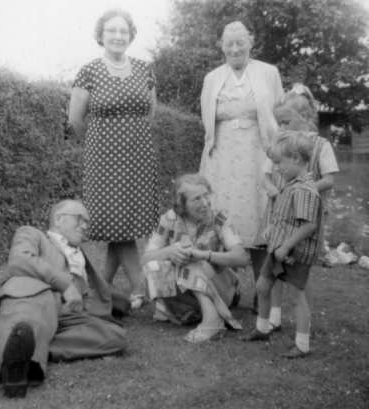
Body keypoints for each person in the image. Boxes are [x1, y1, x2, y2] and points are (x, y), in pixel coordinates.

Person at [0, 200, 128, 398]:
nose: (85, 226)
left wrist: (124, 302)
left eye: (87, 222)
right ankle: (14, 370)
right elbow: (20, 260)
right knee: (25, 318)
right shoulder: (32, 234)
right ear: (58, 219)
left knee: (116, 338)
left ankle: (28, 351)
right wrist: (65, 285)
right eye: (80, 219)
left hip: (70, 316)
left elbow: (98, 291)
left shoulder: (80, 254)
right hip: (37, 297)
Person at [68, 9, 159, 309]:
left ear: (130, 36)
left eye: (123, 31)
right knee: (116, 225)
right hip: (104, 160)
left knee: (125, 226)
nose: (118, 36)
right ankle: (142, 288)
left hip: (138, 157)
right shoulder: (89, 71)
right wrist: (103, 142)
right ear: (101, 35)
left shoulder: (145, 70)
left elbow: (151, 113)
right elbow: (75, 120)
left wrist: (131, 138)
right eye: (112, 31)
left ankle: (99, 290)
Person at [251, 83, 339, 328]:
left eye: (286, 122)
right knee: (274, 261)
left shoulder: (321, 145)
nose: (281, 127)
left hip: (304, 215)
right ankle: (274, 317)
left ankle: (304, 320)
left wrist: (302, 190)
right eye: (279, 122)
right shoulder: (280, 144)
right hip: (279, 212)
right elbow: (267, 175)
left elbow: (330, 179)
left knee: (299, 269)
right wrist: (272, 189)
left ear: (305, 118)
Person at [199, 21, 284, 248]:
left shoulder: (269, 73)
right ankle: (219, 275)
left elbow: (280, 113)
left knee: (258, 210)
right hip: (222, 156)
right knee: (219, 210)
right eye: (229, 44)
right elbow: (206, 118)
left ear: (251, 42)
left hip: (257, 153)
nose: (235, 49)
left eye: (240, 43)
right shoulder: (212, 78)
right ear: (221, 46)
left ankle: (261, 274)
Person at [142, 174, 250, 343]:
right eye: (197, 199)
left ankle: (212, 321)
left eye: (207, 196)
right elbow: (145, 258)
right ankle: (197, 313)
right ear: (182, 204)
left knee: (192, 260)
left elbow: (242, 258)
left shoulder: (219, 219)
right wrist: (170, 251)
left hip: (221, 289)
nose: (205, 203)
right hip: (187, 291)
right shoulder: (169, 219)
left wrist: (204, 255)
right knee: (156, 264)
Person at [243, 131, 323, 359]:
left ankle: (302, 344)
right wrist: (272, 229)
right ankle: (262, 328)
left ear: (296, 158)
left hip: (293, 253)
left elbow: (308, 226)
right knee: (262, 287)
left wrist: (286, 246)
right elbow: (287, 218)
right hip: (277, 249)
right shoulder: (291, 185)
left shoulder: (305, 190)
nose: (276, 168)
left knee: (298, 297)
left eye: (279, 163)